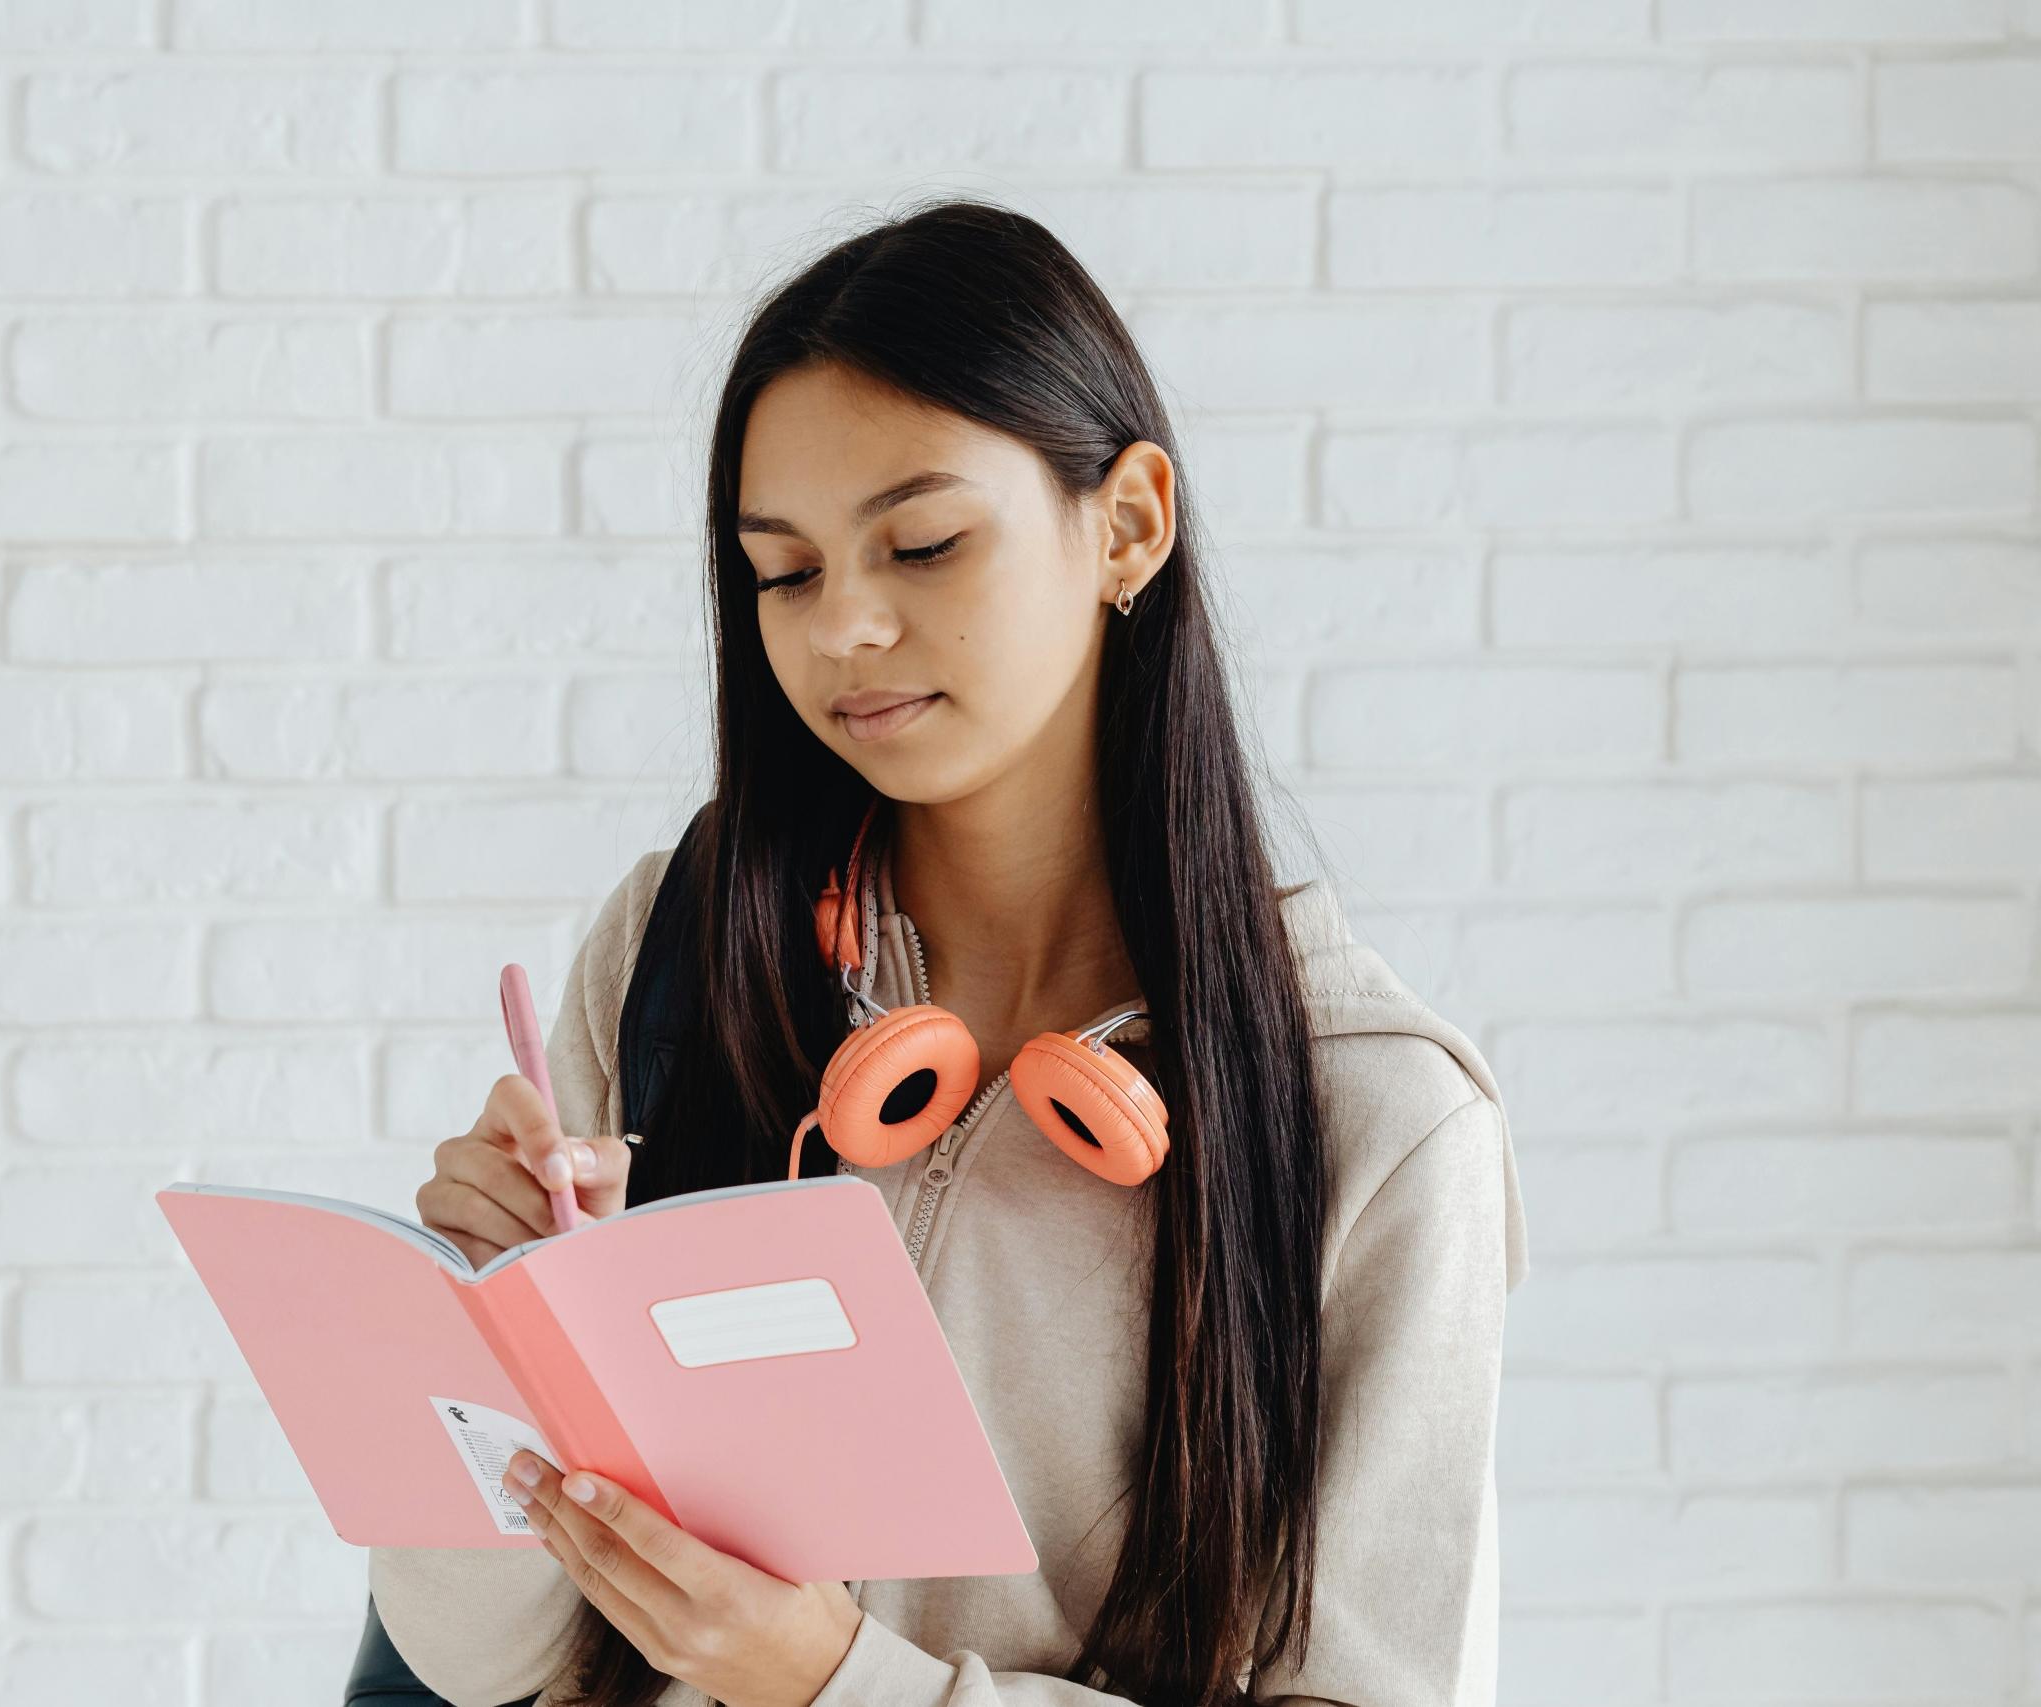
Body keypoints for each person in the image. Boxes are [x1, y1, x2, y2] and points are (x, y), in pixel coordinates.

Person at [370, 196, 1530, 1707]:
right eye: (783, 571)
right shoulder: (679, 951)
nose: (844, 625)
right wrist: (496, 1327)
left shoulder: (1377, 1118)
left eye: (920, 544)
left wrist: (838, 1681)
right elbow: (471, 1666)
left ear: (1127, 526)